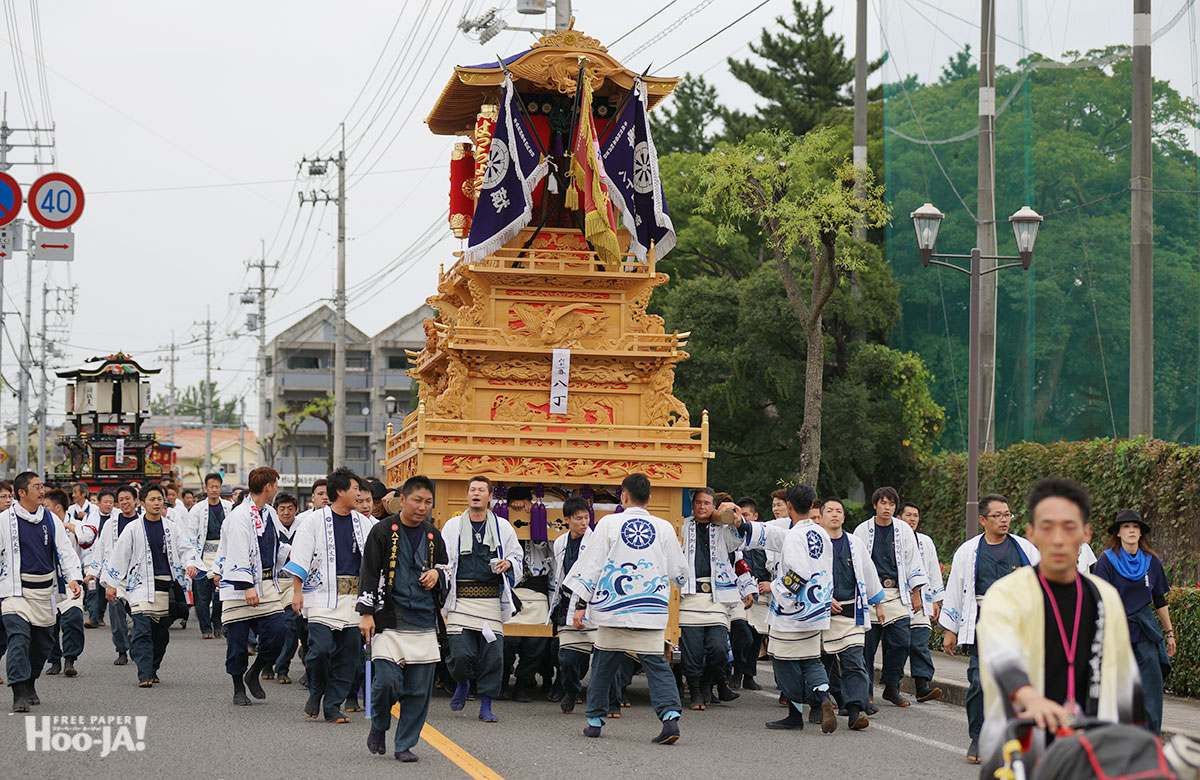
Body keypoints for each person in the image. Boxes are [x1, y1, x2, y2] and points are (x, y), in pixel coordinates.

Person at [977, 478, 1141, 773]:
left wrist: (1133, 746)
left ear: (1085, 533)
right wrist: (1029, 697)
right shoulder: (1005, 594)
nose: (1058, 538)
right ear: (1031, 534)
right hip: (1020, 750)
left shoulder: (1106, 597)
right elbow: (1000, 655)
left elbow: (1124, 678)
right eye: (1047, 527)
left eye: (1069, 527)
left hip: (1090, 750)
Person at [565, 472, 687, 745]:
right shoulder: (664, 527)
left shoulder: (609, 524)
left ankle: (595, 721)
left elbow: (592, 565)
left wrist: (581, 604)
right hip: (650, 608)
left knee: (603, 664)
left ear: (623, 496)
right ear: (649, 498)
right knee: (656, 665)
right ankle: (669, 719)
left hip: (613, 607)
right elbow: (679, 573)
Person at [939, 492, 1040, 764]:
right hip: (982, 622)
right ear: (983, 519)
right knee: (979, 683)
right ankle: (979, 737)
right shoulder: (969, 551)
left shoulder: (1025, 549)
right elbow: (956, 590)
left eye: (1007, 514)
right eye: (997, 515)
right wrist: (951, 629)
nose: (1004, 520)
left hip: (1018, 624)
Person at [358, 475, 447, 763]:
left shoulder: (434, 535)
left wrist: (437, 573)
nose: (423, 507)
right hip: (389, 619)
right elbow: (369, 571)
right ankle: (380, 724)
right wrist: (367, 614)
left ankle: (405, 744)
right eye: (417, 500)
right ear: (403, 500)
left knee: (419, 692)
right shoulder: (383, 531)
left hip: (423, 621)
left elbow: (446, 566)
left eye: (428, 502)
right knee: (385, 682)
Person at [736, 484, 839, 733]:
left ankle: (794, 714)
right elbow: (772, 533)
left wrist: (776, 589)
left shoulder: (794, 536)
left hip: (793, 610)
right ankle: (824, 696)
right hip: (818, 608)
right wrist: (743, 524)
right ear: (813, 504)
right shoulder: (820, 532)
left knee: (783, 660)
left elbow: (798, 573)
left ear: (789, 506)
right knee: (811, 658)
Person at [282, 467, 377, 723]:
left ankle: (332, 706)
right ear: (340, 491)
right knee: (320, 650)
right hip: (321, 597)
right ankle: (316, 690)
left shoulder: (364, 522)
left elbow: (373, 561)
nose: (359, 494)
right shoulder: (313, 520)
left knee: (348, 658)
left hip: (353, 599)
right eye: (355, 489)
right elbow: (300, 556)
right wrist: (297, 592)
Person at [102, 482, 200, 687]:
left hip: (164, 587)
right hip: (138, 587)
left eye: (159, 499)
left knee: (161, 635)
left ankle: (153, 667)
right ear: (142, 502)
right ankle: (144, 673)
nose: (156, 503)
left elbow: (186, 548)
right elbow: (120, 555)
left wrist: (190, 564)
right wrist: (111, 584)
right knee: (141, 630)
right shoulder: (132, 528)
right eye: (152, 499)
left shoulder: (172, 528)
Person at [440, 476, 521, 723]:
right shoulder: (452, 526)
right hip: (460, 599)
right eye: (472, 490)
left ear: (490, 497)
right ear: (467, 495)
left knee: (493, 655)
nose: (476, 493)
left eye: (481, 490)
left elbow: (517, 558)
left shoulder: (503, 527)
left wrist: (508, 564)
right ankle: (462, 683)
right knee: (461, 654)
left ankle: (486, 704)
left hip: (489, 601)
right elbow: (443, 562)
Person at [0, 472, 83, 711]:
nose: (42, 490)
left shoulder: (50, 519)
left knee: (42, 643)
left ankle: (30, 682)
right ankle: (18, 691)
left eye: (42, 486)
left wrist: (73, 578)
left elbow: (65, 551)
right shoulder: (4, 520)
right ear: (21, 493)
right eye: (36, 487)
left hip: (45, 590)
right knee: (18, 637)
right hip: (15, 590)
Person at [1093, 508, 1175, 735]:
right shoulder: (1106, 561)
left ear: (1141, 533)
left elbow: (1159, 599)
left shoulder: (1152, 561)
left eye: (1135, 527)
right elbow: (1100, 600)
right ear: (1118, 533)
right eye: (1126, 527)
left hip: (1146, 632)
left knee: (1151, 688)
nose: (1131, 531)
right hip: (1116, 631)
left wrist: (1169, 633)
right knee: (1120, 690)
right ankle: (1120, 738)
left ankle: (1151, 739)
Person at [217, 467, 288, 706]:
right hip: (240, 587)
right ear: (268, 487)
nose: (276, 489)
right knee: (237, 641)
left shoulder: (268, 512)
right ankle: (238, 686)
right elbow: (237, 550)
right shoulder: (240, 515)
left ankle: (254, 671)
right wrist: (246, 585)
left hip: (266, 583)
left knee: (279, 631)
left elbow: (281, 542)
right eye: (275, 485)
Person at [853, 486, 928, 709]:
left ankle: (892, 686)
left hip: (897, 593)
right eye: (883, 503)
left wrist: (916, 593)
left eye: (891, 504)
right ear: (875, 505)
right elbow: (856, 565)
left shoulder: (903, 530)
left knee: (901, 642)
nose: (887, 507)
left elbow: (914, 561)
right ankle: (865, 691)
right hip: (869, 595)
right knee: (867, 647)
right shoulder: (862, 530)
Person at [814, 496, 883, 730]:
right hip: (821, 613)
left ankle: (854, 711)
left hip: (851, 611)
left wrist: (878, 604)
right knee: (821, 662)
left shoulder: (854, 543)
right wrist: (823, 597)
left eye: (839, 511)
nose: (834, 514)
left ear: (844, 517)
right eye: (829, 510)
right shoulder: (812, 542)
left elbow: (868, 573)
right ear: (821, 516)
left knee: (854, 661)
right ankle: (819, 704)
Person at [676, 488, 743, 710]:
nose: (702, 507)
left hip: (717, 596)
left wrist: (733, 517)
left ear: (714, 506)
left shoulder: (723, 528)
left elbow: (737, 544)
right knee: (691, 650)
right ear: (692, 505)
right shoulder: (683, 525)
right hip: (689, 596)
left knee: (719, 649)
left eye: (707, 503)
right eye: (698, 503)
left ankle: (707, 683)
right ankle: (695, 691)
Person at [503, 486, 553, 704]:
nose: (518, 506)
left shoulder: (545, 519)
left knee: (535, 643)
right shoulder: (500, 524)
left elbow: (549, 548)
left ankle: (522, 685)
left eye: (523, 501)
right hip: (511, 591)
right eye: (514, 501)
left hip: (537, 590)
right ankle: (503, 682)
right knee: (507, 641)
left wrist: (533, 514)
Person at [548, 496, 593, 714]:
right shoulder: (560, 542)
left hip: (592, 605)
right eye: (578, 518)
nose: (584, 522)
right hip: (567, 603)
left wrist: (583, 604)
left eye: (586, 517)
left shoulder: (596, 542)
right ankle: (572, 689)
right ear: (567, 519)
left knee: (594, 656)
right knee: (565, 657)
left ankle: (604, 699)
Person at [90, 486, 143, 666]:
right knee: (116, 611)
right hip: (116, 578)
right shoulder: (111, 524)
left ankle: (136, 644)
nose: (125, 502)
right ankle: (121, 649)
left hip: (139, 578)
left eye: (128, 498)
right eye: (121, 499)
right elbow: (100, 549)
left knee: (140, 617)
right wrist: (92, 573)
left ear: (136, 500)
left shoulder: (143, 522)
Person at [898, 502, 944, 703]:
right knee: (897, 645)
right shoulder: (894, 538)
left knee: (920, 643)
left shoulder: (926, 541)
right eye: (908, 515)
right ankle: (892, 684)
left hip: (922, 600)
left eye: (915, 515)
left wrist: (935, 600)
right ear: (899, 517)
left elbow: (933, 570)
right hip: (897, 599)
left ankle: (922, 685)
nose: (912, 519)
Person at [43, 489, 91, 677]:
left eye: (46, 506)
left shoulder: (78, 525)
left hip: (72, 582)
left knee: (73, 619)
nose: (42, 510)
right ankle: (54, 659)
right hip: (50, 583)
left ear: (57, 507)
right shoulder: (40, 526)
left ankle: (70, 658)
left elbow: (88, 539)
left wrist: (71, 526)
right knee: (50, 624)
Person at [188, 473, 231, 639]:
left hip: (222, 553)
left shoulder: (228, 506)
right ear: (206, 488)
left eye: (217, 486)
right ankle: (205, 628)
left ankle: (217, 622)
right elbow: (191, 535)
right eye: (211, 486)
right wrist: (191, 559)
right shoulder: (197, 509)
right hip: (203, 554)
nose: (214, 490)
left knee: (221, 593)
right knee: (202, 596)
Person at [732, 496, 769, 691]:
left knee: (757, 636)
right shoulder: (732, 536)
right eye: (740, 515)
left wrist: (769, 584)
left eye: (747, 515)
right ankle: (737, 671)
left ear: (755, 516)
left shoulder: (764, 539)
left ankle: (749, 675)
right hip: (739, 594)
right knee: (743, 633)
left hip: (762, 594)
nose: (744, 519)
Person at [270, 491, 302, 684]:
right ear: (276, 510)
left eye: (290, 508)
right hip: (272, 582)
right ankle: (267, 662)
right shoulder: (269, 526)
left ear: (296, 509)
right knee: (272, 627)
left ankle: (282, 667)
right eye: (282, 508)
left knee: (292, 624)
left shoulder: (303, 527)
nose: (286, 512)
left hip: (293, 583)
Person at [67, 483, 103, 629]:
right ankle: (95, 616)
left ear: (83, 494)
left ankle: (96, 616)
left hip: (93, 552)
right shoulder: (70, 510)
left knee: (96, 586)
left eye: (75, 492)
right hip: (78, 552)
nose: (73, 495)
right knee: (90, 586)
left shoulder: (94, 511)